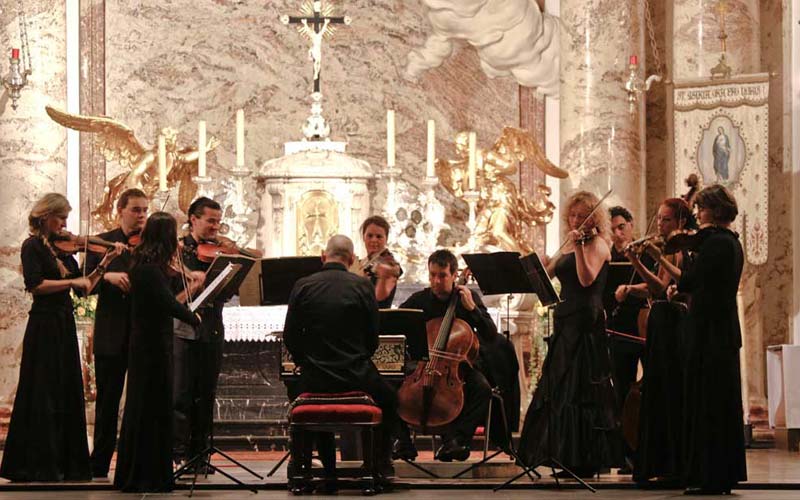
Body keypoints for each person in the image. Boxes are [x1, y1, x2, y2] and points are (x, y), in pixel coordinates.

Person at [0, 193, 123, 482]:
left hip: (63, 322)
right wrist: (71, 281)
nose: (65, 225)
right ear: (45, 217)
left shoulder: (63, 251)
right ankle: (37, 465)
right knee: (42, 390)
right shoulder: (32, 246)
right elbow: (36, 285)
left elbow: (85, 289)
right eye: (61, 218)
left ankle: (66, 464)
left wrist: (106, 261)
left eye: (66, 219)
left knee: (65, 389)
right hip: (43, 325)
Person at [518, 190, 620, 478]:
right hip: (566, 318)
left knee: (581, 387)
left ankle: (585, 459)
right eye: (572, 215)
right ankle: (564, 454)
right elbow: (546, 278)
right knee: (561, 387)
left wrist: (577, 248)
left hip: (586, 320)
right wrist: (541, 263)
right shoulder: (569, 242)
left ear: (594, 218)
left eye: (582, 216)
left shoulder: (599, 243)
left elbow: (587, 279)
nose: (576, 220)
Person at [283, 234, 399, 484]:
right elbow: (372, 340)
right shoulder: (362, 286)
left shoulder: (302, 285)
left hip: (313, 379)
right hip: (355, 376)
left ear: (324, 257)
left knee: (296, 393)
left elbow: (290, 337)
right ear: (351, 259)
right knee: (391, 399)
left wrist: (307, 363)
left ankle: (314, 463)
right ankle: (380, 463)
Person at [398, 249, 518, 462]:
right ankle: (403, 442)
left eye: (442, 275)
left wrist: (472, 310)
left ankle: (457, 440)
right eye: (432, 275)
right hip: (422, 365)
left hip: (457, 369)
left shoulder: (467, 298)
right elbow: (397, 323)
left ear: (454, 275)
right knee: (391, 383)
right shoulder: (419, 300)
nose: (436, 281)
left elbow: (490, 334)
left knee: (482, 389)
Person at [114, 211, 202, 492]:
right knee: (148, 407)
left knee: (154, 407)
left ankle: (150, 473)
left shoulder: (149, 265)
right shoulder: (148, 268)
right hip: (149, 347)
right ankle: (144, 476)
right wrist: (193, 318)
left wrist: (190, 282)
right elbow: (167, 303)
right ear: (165, 237)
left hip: (153, 342)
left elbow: (165, 299)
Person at [671, 185, 746, 495]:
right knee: (720, 404)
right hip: (721, 330)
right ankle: (720, 474)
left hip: (710, 333)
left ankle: (708, 475)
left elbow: (688, 281)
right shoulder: (729, 242)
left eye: (701, 208)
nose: (697, 214)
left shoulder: (715, 243)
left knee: (708, 404)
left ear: (714, 210)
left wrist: (659, 257)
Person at [625, 198, 695, 485]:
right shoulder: (670, 250)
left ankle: (667, 463)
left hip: (670, 325)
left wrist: (642, 260)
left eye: (666, 220)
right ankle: (661, 463)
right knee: (657, 388)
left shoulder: (678, 251)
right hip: (661, 322)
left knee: (665, 390)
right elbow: (657, 286)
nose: (659, 225)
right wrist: (636, 261)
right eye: (659, 219)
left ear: (679, 222)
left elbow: (661, 287)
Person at [84, 188, 148, 479]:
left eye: (145, 211)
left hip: (141, 332)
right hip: (111, 333)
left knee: (140, 402)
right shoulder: (102, 243)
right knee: (107, 402)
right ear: (120, 210)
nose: (141, 216)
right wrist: (107, 274)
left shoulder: (149, 245)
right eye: (136, 210)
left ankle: (134, 464)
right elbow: (85, 285)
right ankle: (98, 465)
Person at [172, 197, 229, 467]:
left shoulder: (220, 251)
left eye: (218, 221)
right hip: (183, 330)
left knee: (206, 393)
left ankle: (201, 454)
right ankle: (179, 453)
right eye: (210, 221)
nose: (215, 227)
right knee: (181, 394)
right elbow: (172, 295)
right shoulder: (179, 251)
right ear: (193, 219)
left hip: (212, 329)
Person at [352, 215, 402, 308]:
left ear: (386, 239)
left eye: (379, 237)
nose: (374, 240)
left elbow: (379, 299)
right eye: (370, 236)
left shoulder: (391, 265)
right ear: (364, 237)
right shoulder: (359, 263)